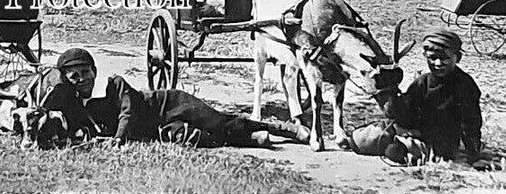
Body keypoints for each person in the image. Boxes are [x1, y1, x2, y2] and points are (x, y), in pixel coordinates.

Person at [40, 48, 309, 148]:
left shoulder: (113, 84)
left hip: (169, 103)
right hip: (159, 128)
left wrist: (118, 139)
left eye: (85, 73)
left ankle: (279, 128)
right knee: (198, 139)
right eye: (73, 77)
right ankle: (253, 141)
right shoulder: (76, 104)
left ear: (94, 71)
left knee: (218, 123)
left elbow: (127, 113)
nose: (82, 80)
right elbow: (47, 108)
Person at [353, 29, 484, 166]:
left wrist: (473, 155)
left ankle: (403, 145)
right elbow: (404, 112)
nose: (438, 63)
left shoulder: (465, 85)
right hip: (412, 129)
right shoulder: (423, 81)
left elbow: (471, 122)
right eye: (432, 58)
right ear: (425, 57)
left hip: (439, 140)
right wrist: (389, 90)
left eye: (445, 58)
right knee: (359, 141)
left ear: (457, 57)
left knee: (396, 152)